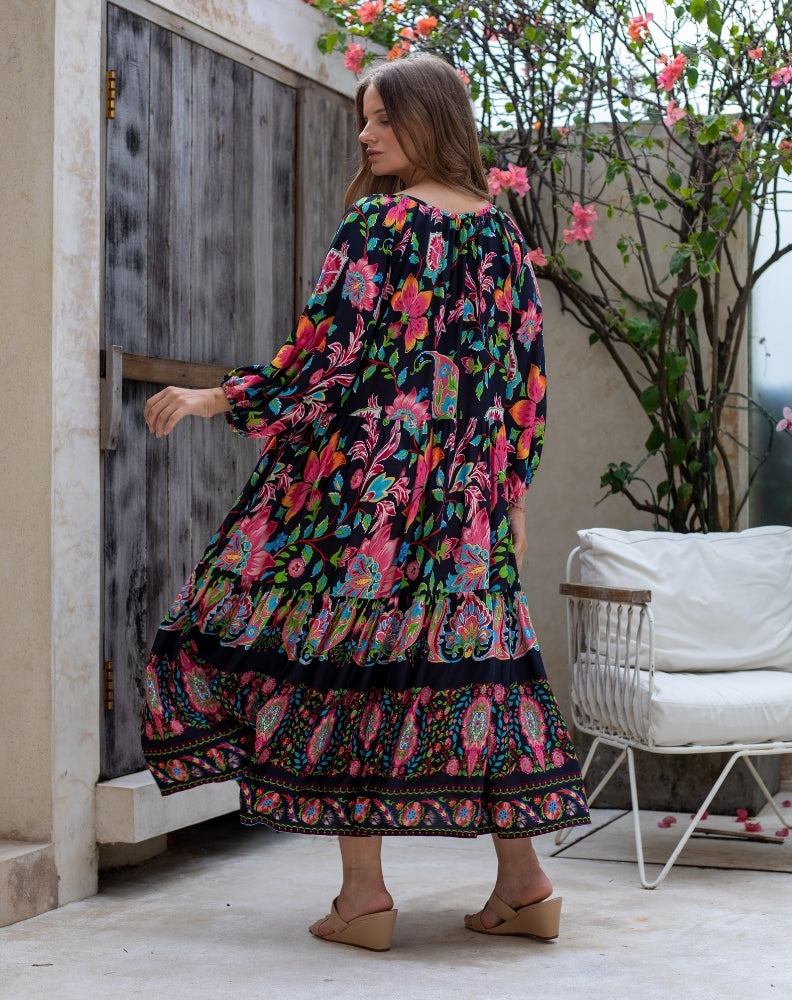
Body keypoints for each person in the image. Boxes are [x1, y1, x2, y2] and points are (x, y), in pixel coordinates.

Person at [142, 53, 589, 952]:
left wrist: (215, 398)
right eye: (364, 115)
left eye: (382, 117)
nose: (366, 132)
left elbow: (324, 360)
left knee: (351, 667)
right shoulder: (500, 237)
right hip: (462, 505)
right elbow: (522, 387)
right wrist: (509, 494)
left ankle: (364, 898)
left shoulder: (379, 226)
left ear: (428, 119)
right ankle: (527, 883)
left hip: (367, 500)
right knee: (480, 676)